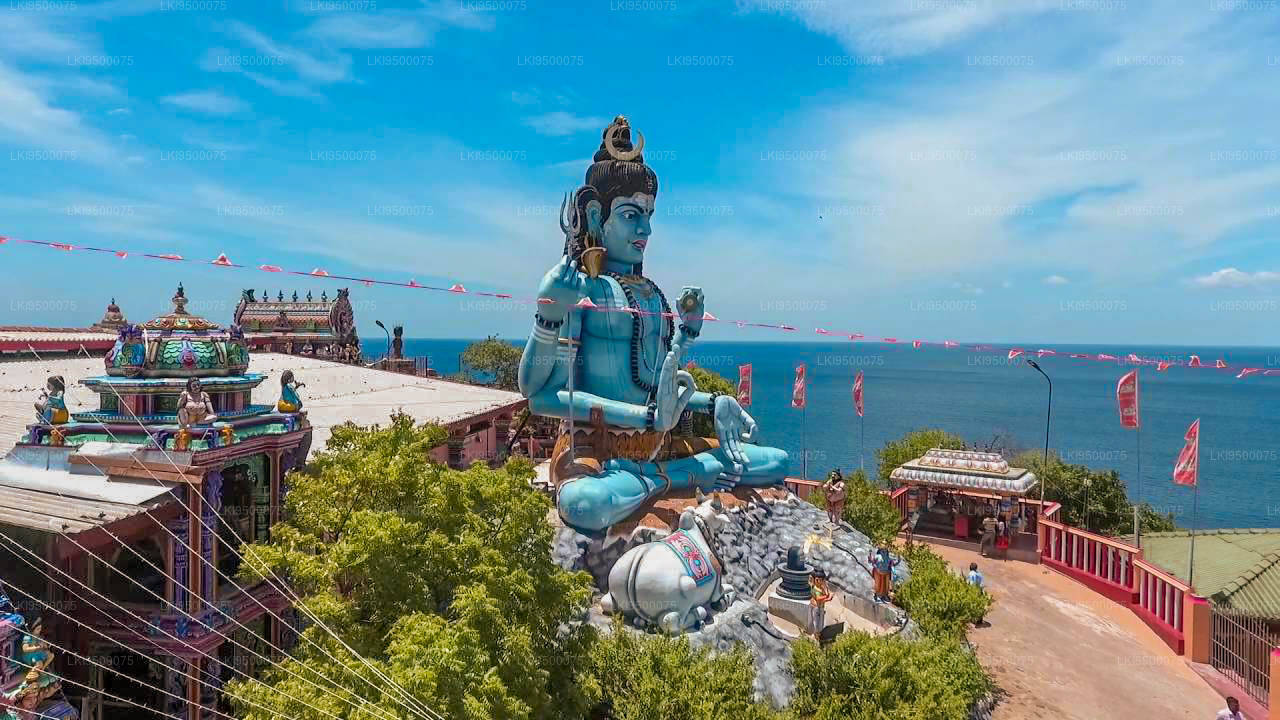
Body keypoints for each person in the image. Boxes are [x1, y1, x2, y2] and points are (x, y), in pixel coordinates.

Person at [809, 567, 833, 636]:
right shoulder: (815, 589)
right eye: (821, 580)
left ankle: (818, 634)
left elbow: (825, 594)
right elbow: (818, 598)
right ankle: (816, 635)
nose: (822, 581)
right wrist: (827, 598)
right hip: (816, 608)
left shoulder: (821, 587)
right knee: (817, 623)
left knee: (821, 623)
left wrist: (826, 589)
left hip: (821, 607)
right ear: (816, 580)